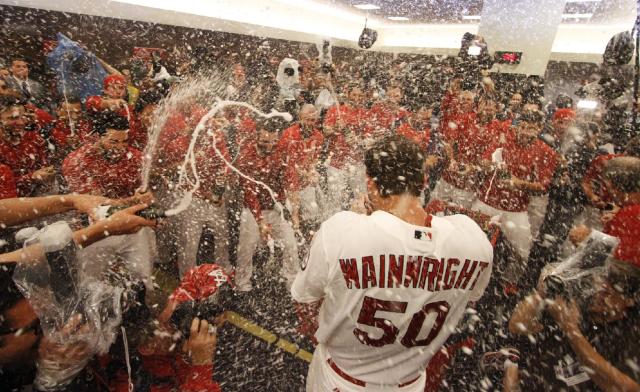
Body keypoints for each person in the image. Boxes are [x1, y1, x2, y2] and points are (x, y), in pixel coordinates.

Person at [292, 135, 493, 391]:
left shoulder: (342, 232)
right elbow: (469, 298)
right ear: (423, 181)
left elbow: (305, 304)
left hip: (342, 380)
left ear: (371, 184)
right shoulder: (472, 242)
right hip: (409, 383)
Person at [62, 114, 156, 289]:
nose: (121, 148)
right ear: (97, 137)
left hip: (130, 225)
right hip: (93, 229)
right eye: (114, 142)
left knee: (142, 276)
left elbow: (144, 190)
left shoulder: (135, 157)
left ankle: (143, 310)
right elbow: (95, 205)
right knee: (91, 282)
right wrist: (133, 200)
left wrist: (145, 195)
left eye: (125, 142)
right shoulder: (77, 161)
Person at [473, 110, 558, 263]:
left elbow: (543, 186)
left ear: (539, 128)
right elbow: (483, 161)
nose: (525, 132)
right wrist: (492, 166)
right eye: (522, 126)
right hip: (487, 202)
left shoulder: (546, 152)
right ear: (517, 126)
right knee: (472, 244)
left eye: (531, 128)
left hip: (516, 210)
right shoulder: (504, 141)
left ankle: (510, 284)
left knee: (521, 253)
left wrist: (519, 183)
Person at [235, 118, 299, 292]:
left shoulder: (280, 152)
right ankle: (242, 283)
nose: (270, 146)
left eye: (273, 141)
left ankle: (292, 281)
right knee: (247, 247)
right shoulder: (246, 155)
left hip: (275, 207)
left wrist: (294, 210)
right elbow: (249, 192)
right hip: (252, 208)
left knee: (290, 243)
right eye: (264, 141)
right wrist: (260, 220)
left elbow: (289, 179)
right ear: (256, 137)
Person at [0, 97, 54, 197]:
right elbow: (4, 187)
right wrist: (31, 177)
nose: (21, 123)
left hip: (36, 200)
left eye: (23, 117)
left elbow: (45, 169)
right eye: (13, 118)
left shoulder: (35, 139)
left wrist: (48, 173)